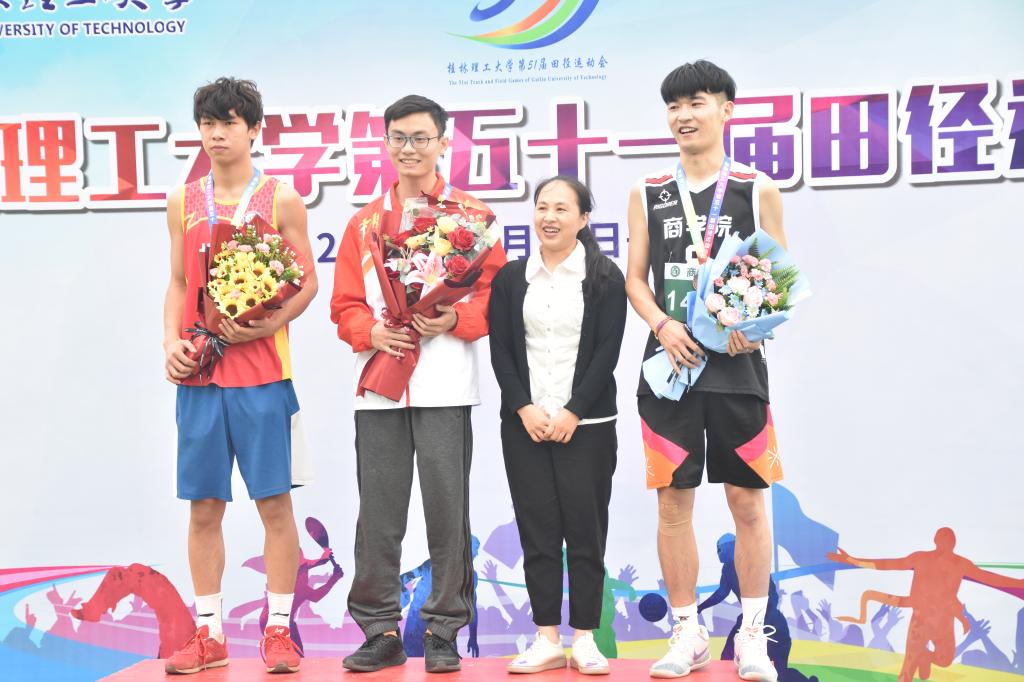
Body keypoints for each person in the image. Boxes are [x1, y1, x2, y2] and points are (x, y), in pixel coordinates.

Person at [330, 94, 506, 674]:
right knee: (378, 514)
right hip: (380, 385)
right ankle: (379, 629)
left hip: (445, 383)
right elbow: (345, 305)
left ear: (443, 142)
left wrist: (456, 317)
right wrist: (371, 332)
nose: (410, 148)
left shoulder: (472, 218)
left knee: (447, 511)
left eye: (421, 138)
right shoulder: (362, 223)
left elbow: (496, 295)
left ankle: (443, 630)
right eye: (399, 138)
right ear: (385, 143)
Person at [624, 60, 788, 681]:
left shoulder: (756, 188)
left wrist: (756, 323)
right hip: (669, 367)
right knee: (673, 503)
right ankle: (687, 632)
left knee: (748, 502)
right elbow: (636, 280)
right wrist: (661, 325)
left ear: (726, 109)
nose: (683, 116)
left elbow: (780, 279)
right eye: (674, 106)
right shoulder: (648, 192)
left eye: (696, 102)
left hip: (738, 369)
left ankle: (752, 635)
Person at [162, 77, 317, 675]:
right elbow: (178, 283)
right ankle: (209, 633)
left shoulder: (281, 199)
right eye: (208, 123)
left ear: (254, 129)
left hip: (263, 377)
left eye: (229, 122)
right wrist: (171, 344)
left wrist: (271, 320)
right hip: (200, 379)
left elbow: (307, 280)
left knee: (274, 506)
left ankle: (278, 631)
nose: (217, 133)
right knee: (204, 508)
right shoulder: (182, 201)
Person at [488, 176, 626, 675]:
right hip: (525, 426)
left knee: (586, 532)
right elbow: (501, 349)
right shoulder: (511, 278)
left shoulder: (604, 276)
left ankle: (585, 637)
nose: (549, 217)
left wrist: (574, 410)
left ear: (583, 219)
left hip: (586, 425)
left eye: (562, 209)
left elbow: (607, 350)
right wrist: (523, 407)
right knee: (538, 533)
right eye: (542, 207)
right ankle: (546, 637)